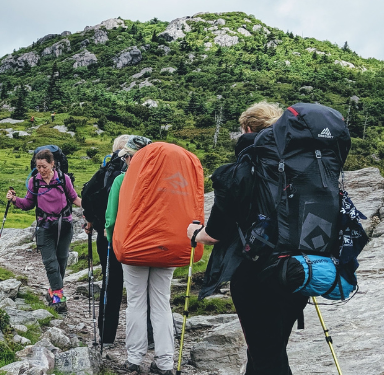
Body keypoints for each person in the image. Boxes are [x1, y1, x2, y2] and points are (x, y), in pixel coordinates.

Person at [187, 101, 307, 375]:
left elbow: (216, 233)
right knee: (269, 349)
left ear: (247, 128)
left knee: (267, 358)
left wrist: (194, 233)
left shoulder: (238, 171)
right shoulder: (300, 166)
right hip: (298, 270)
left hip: (256, 275)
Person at [103, 136, 176, 374]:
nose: (124, 160)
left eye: (127, 156)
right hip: (166, 249)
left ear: (134, 157)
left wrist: (115, 242)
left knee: (135, 302)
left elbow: (112, 219)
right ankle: (165, 362)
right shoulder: (169, 181)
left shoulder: (121, 180)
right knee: (162, 303)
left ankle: (134, 359)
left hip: (134, 250)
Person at [7, 149, 82, 313]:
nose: (41, 170)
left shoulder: (63, 179)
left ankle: (53, 292)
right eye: (38, 166)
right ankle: (59, 299)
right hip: (44, 226)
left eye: (44, 166)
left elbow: (74, 198)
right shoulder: (34, 182)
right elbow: (28, 203)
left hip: (64, 225)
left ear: (52, 164)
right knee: (50, 263)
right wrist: (14, 200)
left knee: (62, 260)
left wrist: (90, 207)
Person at [82, 134, 130, 345]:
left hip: (107, 235)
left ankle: (106, 335)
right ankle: (148, 336)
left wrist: (92, 220)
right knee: (141, 287)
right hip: (135, 235)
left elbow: (88, 195)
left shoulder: (107, 170)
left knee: (111, 283)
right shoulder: (135, 170)